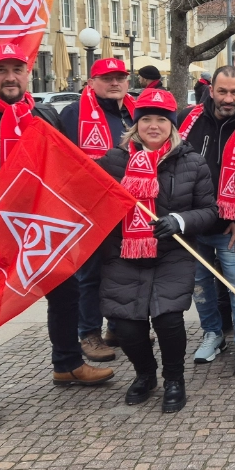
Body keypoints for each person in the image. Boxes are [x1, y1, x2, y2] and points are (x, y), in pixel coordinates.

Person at [0, 44, 114, 430]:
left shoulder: (45, 116)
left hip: (47, 232)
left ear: (28, 72)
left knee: (67, 298)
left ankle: (67, 364)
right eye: (2, 70)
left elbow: (68, 167)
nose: (11, 77)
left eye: (18, 68)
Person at [97, 89, 218, 413]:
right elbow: (94, 204)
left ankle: (174, 379)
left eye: (161, 119)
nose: (153, 125)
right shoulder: (113, 161)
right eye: (146, 119)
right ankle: (145, 374)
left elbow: (209, 211)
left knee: (168, 321)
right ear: (136, 125)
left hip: (171, 253)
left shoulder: (192, 161)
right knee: (126, 325)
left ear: (172, 125)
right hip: (123, 252)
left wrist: (180, 220)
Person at [176, 66, 235, 374]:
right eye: (223, 91)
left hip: (232, 226)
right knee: (200, 286)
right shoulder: (187, 122)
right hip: (193, 223)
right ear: (211, 90)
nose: (229, 99)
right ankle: (213, 334)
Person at [58, 57, 136, 362]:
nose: (115, 83)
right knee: (89, 275)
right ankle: (88, 333)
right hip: (87, 207)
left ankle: (116, 328)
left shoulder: (134, 110)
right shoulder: (73, 114)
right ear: (91, 83)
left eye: (120, 77)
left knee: (121, 269)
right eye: (107, 78)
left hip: (128, 206)